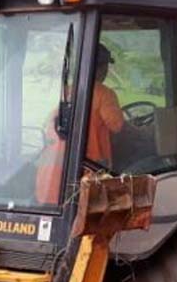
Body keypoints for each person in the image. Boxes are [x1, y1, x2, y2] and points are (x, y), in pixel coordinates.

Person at [34, 43, 123, 204]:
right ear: (102, 68)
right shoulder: (104, 94)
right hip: (86, 183)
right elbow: (118, 126)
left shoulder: (64, 92)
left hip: (48, 184)